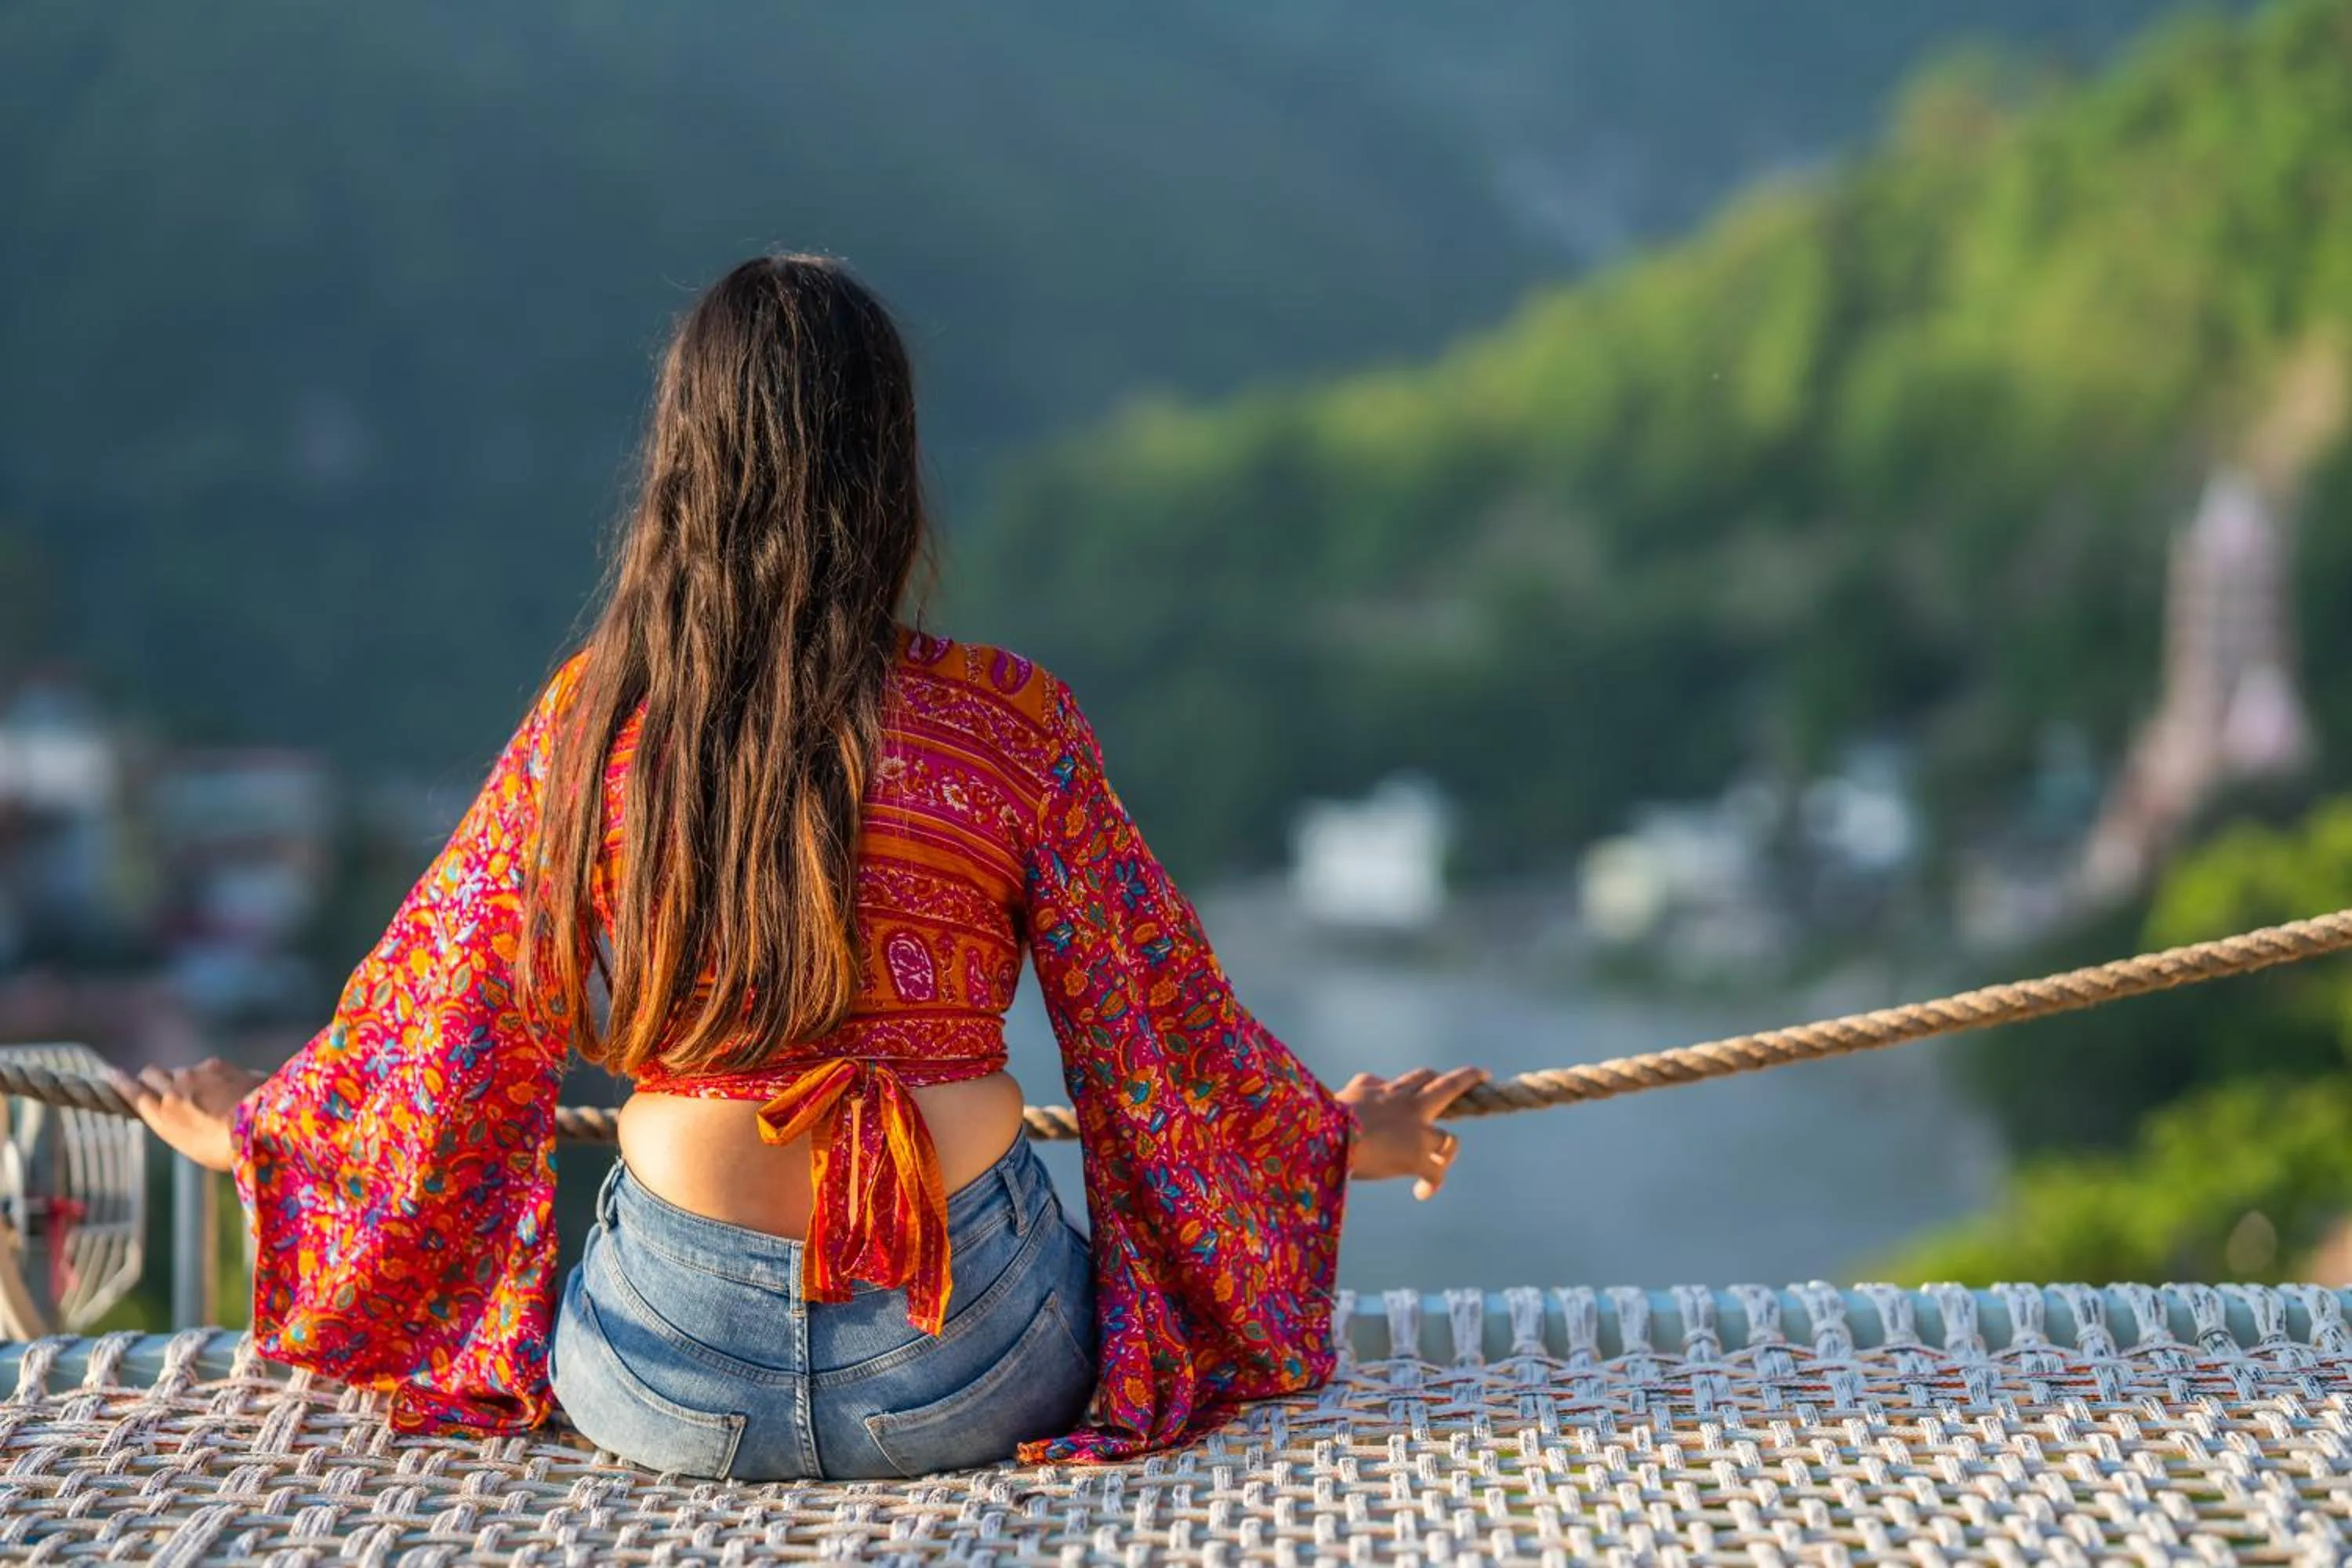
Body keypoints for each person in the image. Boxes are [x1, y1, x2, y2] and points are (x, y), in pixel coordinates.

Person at [115, 252, 1486, 1481]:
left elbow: (441, 1024)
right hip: (975, 1369)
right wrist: (1323, 1142)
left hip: (660, 1375)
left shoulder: (594, 725)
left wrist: (259, 1133)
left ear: (683, 466)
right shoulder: (1010, 725)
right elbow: (1151, 1025)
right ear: (890, 471)